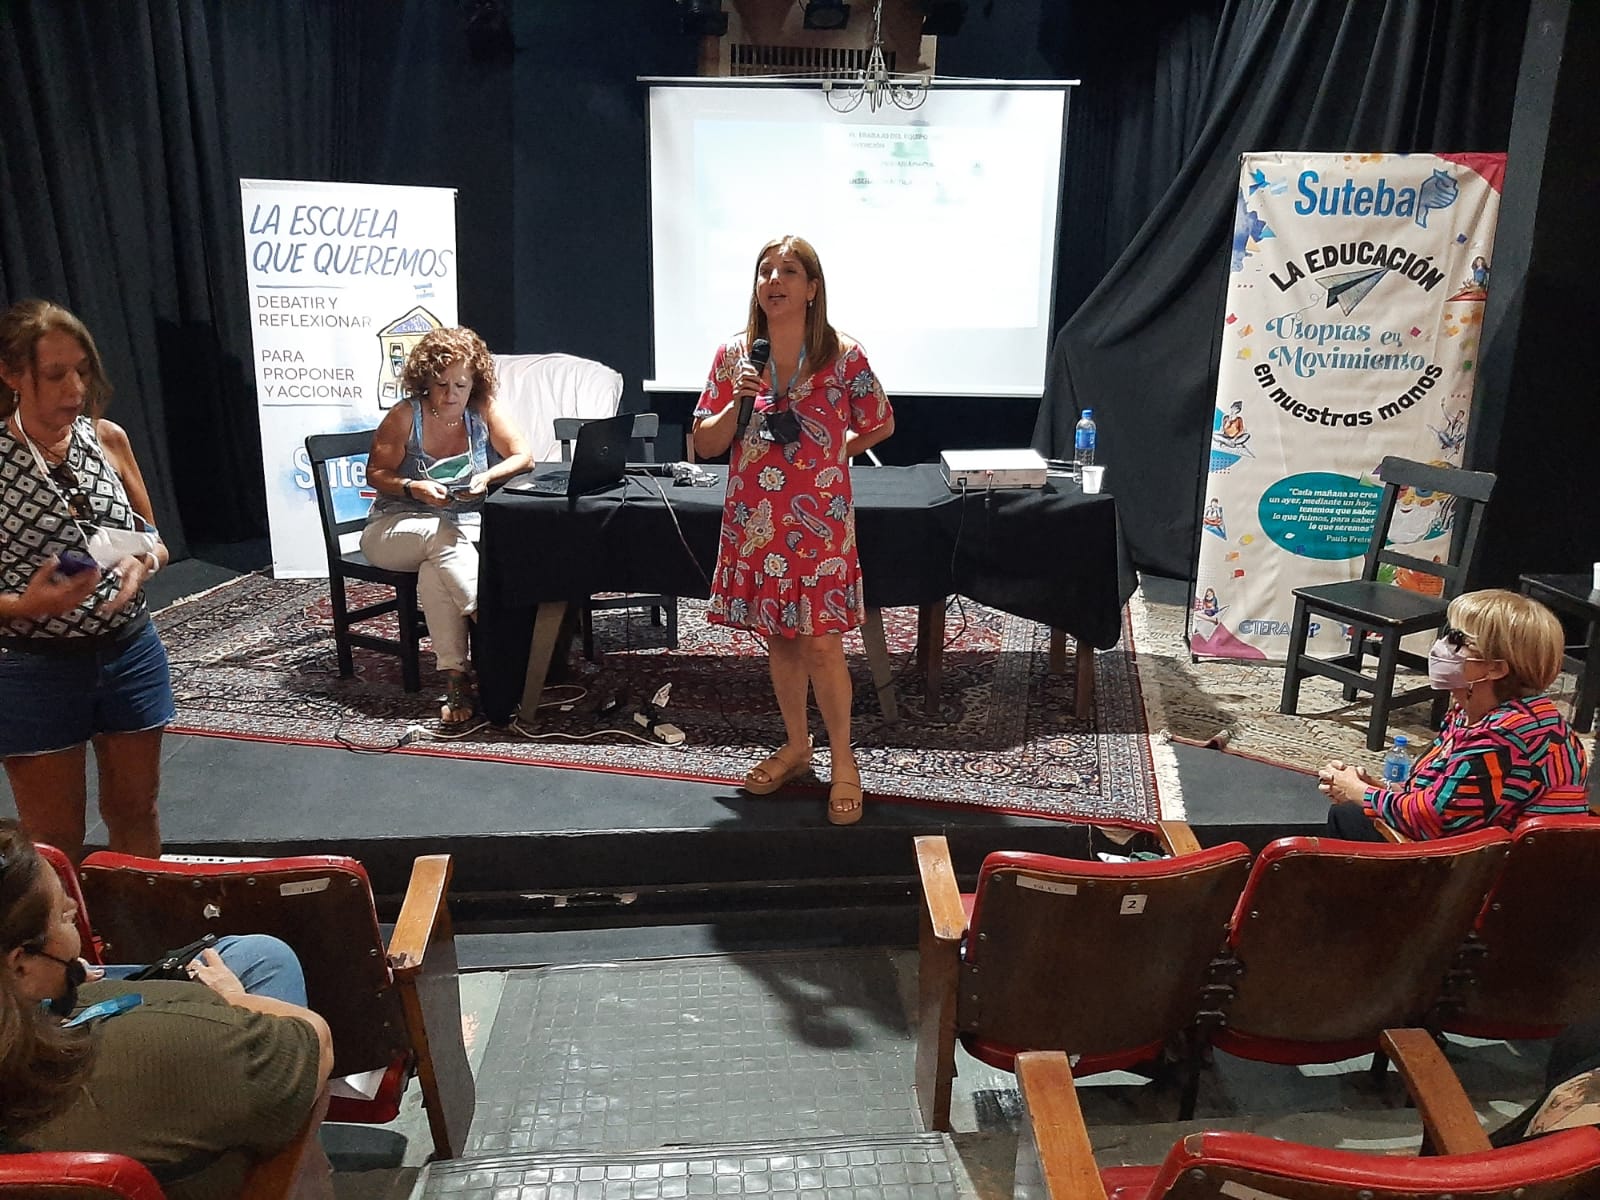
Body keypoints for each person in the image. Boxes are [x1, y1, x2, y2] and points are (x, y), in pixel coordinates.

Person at [0, 821, 333, 1199]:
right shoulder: (169, 1047)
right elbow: (314, 1039)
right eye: (64, 916)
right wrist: (233, 999)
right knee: (269, 962)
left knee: (255, 955)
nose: (75, 909)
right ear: (21, 966)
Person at [691, 235, 895, 825]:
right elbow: (706, 442)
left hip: (820, 524)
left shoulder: (843, 355)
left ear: (811, 288)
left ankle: (844, 760)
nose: (774, 280)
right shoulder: (735, 356)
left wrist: (833, 454)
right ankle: (798, 747)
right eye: (765, 271)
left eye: (788, 271)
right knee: (780, 638)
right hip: (757, 521)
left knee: (822, 643)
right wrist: (737, 402)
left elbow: (881, 423)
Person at [0, 300, 173, 862]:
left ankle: (143, 919)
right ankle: (66, 923)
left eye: (82, 370)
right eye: (55, 374)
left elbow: (152, 537)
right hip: (34, 669)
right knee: (53, 839)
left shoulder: (106, 438)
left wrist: (144, 560)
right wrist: (23, 605)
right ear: (11, 374)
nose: (75, 388)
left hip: (130, 653)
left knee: (136, 812)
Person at [360, 326, 531, 726]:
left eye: (460, 385)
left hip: (455, 536)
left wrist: (487, 477)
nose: (451, 394)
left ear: (475, 383)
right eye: (441, 385)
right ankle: (492, 624)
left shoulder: (482, 409)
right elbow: (375, 474)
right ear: (425, 380)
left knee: (435, 570)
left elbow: (523, 456)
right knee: (439, 537)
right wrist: (412, 487)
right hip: (392, 528)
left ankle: (456, 680)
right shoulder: (405, 415)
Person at [1320, 589, 1589, 840]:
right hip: (1477, 845)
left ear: (1496, 668)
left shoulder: (1504, 735)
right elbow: (1446, 797)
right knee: (1351, 812)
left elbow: (1434, 820)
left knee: (1347, 817)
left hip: (1496, 866)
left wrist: (1360, 792)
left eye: (1458, 640)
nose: (1442, 646)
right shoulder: (1472, 713)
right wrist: (1376, 789)